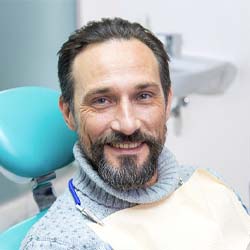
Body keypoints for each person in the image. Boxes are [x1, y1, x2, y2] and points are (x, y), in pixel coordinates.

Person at [21, 18, 250, 250]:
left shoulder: (207, 183)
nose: (128, 125)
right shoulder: (60, 243)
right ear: (69, 113)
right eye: (102, 101)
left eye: (144, 96)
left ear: (168, 101)